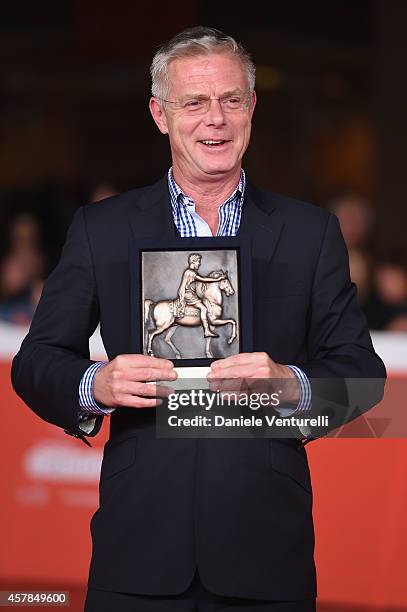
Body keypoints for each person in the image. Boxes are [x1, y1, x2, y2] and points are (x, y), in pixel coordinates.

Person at [11, 27, 386, 611]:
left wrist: (289, 384)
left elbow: (364, 376)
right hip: (137, 547)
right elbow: (35, 362)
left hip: (266, 552)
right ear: (160, 114)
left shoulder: (310, 234)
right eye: (194, 102)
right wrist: (96, 384)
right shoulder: (101, 229)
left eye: (231, 100)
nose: (216, 119)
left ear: (252, 108)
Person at [176, 253, 224, 336]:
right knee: (204, 308)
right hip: (189, 295)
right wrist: (217, 279)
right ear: (193, 262)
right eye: (198, 261)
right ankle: (206, 331)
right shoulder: (191, 272)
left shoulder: (188, 272)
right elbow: (203, 279)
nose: (200, 263)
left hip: (189, 293)